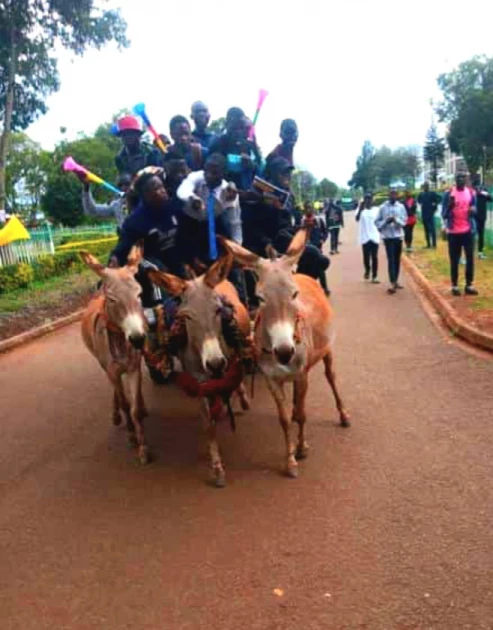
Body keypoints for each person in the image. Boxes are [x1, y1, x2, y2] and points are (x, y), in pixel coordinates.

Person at [242, 157, 331, 297]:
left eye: (288, 174)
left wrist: (303, 226)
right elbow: (249, 226)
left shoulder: (289, 196)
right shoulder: (257, 194)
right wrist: (266, 243)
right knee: (313, 255)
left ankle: (297, 287)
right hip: (262, 243)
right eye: (283, 173)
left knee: (320, 259)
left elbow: (288, 225)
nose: (287, 177)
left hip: (283, 238)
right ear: (272, 174)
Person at [176, 153, 242, 263]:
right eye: (207, 170)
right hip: (188, 225)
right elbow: (182, 190)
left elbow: (234, 223)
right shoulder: (196, 176)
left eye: (214, 172)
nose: (209, 175)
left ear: (224, 173)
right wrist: (192, 198)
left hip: (211, 227)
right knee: (188, 263)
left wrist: (237, 249)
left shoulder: (230, 193)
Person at [209, 107, 263, 193]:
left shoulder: (248, 145)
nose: (238, 131)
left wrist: (252, 165)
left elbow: (259, 172)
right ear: (227, 124)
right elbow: (210, 172)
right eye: (234, 127)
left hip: (245, 197)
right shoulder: (218, 143)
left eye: (241, 127)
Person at [442, 173, 478, 296]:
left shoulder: (470, 193)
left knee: (470, 259)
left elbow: (474, 208)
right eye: (458, 179)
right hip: (453, 232)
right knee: (454, 260)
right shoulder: (448, 194)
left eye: (463, 179)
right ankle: (455, 285)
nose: (461, 181)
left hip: (468, 231)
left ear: (465, 181)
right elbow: (444, 215)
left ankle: (469, 285)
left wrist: (473, 210)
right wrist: (449, 206)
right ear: (455, 181)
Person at [375, 187, 407, 294]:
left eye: (395, 194)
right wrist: (385, 222)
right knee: (391, 260)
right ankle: (392, 282)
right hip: (388, 238)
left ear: (397, 195)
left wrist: (396, 220)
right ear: (389, 195)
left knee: (397, 260)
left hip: (398, 237)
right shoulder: (383, 207)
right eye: (391, 194)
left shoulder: (401, 207)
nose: (393, 196)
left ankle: (396, 280)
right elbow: (377, 222)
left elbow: (404, 222)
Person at [356, 192, 380, 283]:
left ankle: (375, 276)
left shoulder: (376, 210)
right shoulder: (361, 211)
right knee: (366, 257)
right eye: (366, 199)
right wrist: (361, 208)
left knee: (374, 257)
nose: (368, 200)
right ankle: (367, 270)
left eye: (369, 199)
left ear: (372, 200)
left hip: (374, 236)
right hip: (365, 237)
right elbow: (357, 219)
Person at [472, 175, 492, 260]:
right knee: (472, 235)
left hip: (481, 217)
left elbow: (491, 199)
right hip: (474, 217)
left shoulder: (483, 193)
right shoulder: (473, 193)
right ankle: (472, 253)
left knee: (480, 235)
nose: (479, 188)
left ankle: (480, 253)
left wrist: (485, 193)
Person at [417, 182, 440, 248]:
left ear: (428, 186)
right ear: (423, 187)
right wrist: (421, 203)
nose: (426, 187)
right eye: (425, 186)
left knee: (432, 230)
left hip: (431, 214)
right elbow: (418, 200)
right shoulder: (421, 194)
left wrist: (435, 203)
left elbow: (440, 198)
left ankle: (434, 245)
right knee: (426, 230)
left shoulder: (432, 193)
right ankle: (428, 244)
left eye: (427, 186)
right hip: (424, 214)